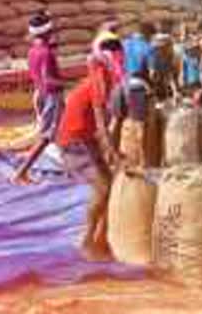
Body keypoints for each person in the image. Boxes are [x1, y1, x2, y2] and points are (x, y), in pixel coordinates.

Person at [58, 34, 123, 260]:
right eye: (116, 54)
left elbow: (104, 120)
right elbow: (99, 119)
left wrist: (111, 149)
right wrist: (112, 150)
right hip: (74, 141)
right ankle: (87, 240)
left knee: (113, 186)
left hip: (86, 139)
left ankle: (102, 239)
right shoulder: (99, 78)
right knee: (103, 187)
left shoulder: (106, 77)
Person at [12, 13, 65, 184]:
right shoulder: (47, 53)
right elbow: (48, 78)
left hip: (40, 93)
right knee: (46, 137)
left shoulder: (33, 51)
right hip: (51, 95)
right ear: (47, 32)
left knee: (54, 129)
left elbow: (37, 75)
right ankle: (21, 172)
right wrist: (65, 82)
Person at [109, 68, 152, 169]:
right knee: (140, 127)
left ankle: (111, 155)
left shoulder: (125, 78)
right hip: (135, 90)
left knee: (115, 123)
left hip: (119, 87)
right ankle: (143, 162)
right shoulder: (144, 84)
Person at [148, 20, 180, 102]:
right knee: (166, 79)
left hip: (159, 61)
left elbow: (152, 50)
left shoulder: (155, 38)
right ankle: (172, 95)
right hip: (163, 61)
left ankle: (160, 98)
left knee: (161, 80)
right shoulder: (166, 38)